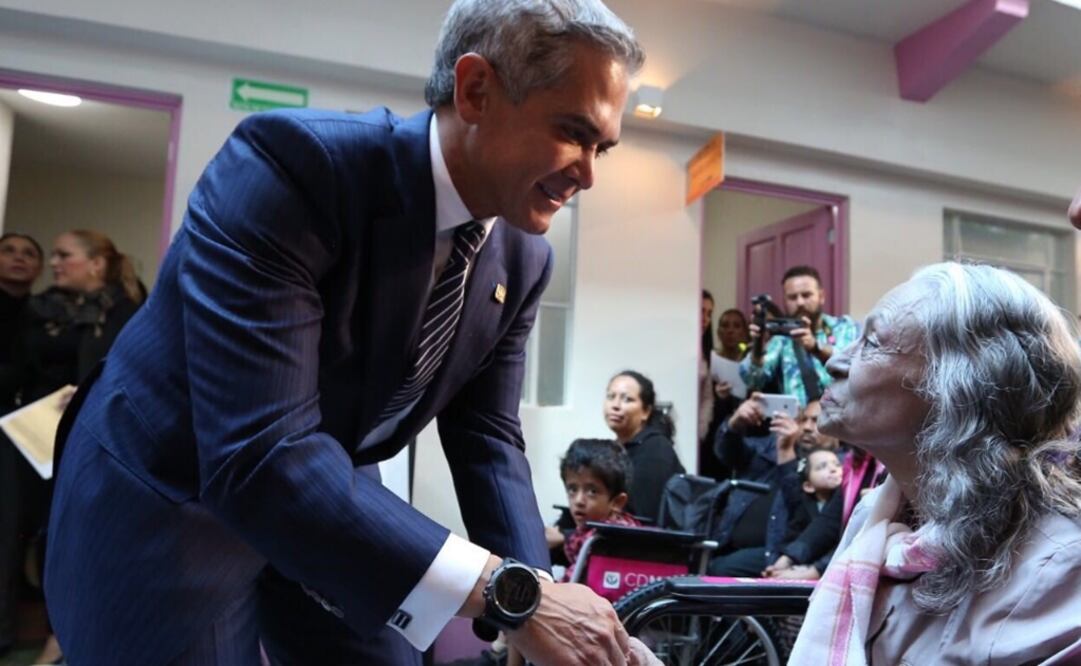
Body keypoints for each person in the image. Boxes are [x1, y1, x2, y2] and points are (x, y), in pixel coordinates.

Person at [43, 3, 661, 666]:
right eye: (572, 132)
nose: (588, 173)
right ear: (476, 89)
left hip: (328, 494)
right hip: (173, 494)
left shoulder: (524, 257)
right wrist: (510, 596)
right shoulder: (292, 167)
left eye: (602, 146)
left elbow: (486, 438)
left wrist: (535, 601)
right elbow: (260, 454)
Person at [790, 262, 1081, 664]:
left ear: (961, 386)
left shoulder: (1054, 568)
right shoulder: (876, 512)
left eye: (872, 342)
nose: (835, 361)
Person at [15, 230, 142, 664]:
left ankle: (63, 636)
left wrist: (92, 390)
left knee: (78, 534)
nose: (54, 263)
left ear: (96, 265)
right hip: (34, 436)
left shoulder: (126, 312)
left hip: (93, 436)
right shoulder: (39, 311)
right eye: (52, 255)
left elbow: (133, 371)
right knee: (35, 532)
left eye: (63, 255)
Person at [0, 232, 43, 657]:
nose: (18, 258)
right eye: (9, 250)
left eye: (29, 253)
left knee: (12, 531)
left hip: (23, 434)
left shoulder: (46, 315)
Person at [741, 265, 859, 406]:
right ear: (784, 301)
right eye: (792, 297)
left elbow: (857, 367)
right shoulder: (782, 340)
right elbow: (754, 380)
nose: (800, 302)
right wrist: (758, 346)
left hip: (842, 424)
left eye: (806, 295)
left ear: (821, 297)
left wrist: (816, 347)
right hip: (797, 425)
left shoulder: (845, 327)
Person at [604, 370, 685, 523]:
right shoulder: (615, 448)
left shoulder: (655, 449)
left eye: (627, 399)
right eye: (610, 397)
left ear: (646, 412)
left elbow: (642, 518)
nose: (615, 405)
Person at [555, 439, 640, 581]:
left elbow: (571, 586)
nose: (578, 500)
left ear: (617, 502)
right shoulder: (585, 533)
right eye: (572, 489)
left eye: (592, 491)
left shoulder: (605, 540)